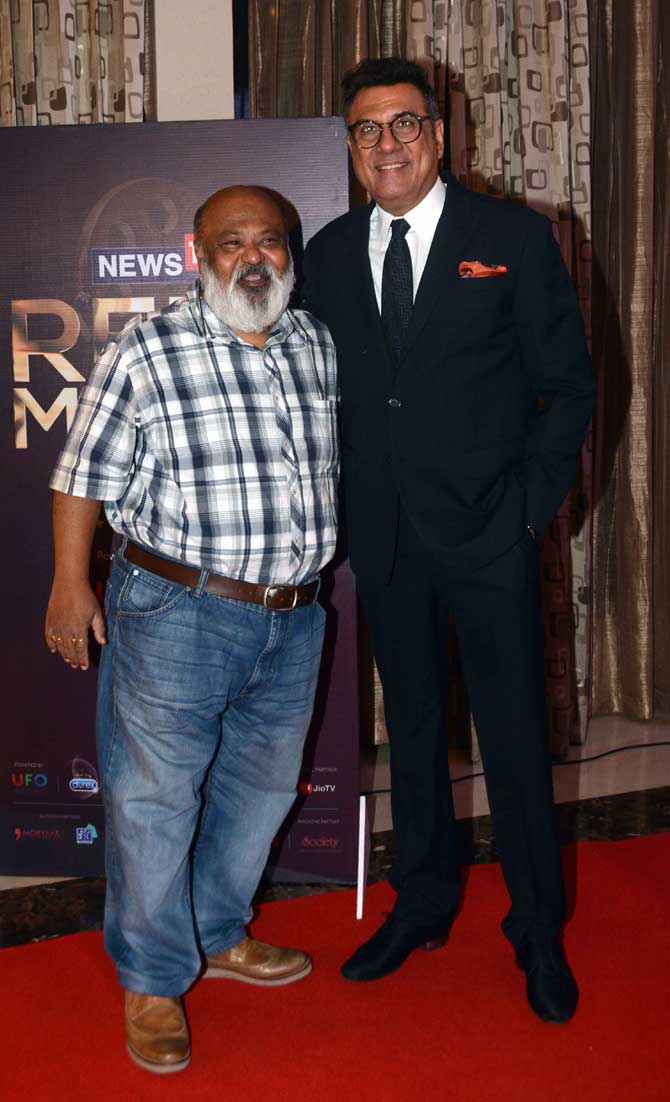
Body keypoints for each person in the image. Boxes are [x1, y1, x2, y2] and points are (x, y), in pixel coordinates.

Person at [303, 58, 595, 1023]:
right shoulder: (331, 252)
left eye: (402, 125)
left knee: (514, 740)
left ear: (440, 133)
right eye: (365, 130)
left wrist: (526, 511)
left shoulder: (512, 237)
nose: (384, 144)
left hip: (488, 535)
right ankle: (422, 903)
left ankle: (538, 929)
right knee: (415, 736)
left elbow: (572, 389)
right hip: (384, 541)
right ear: (351, 147)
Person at [45, 185, 339, 1073]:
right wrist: (69, 585)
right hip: (177, 610)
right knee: (153, 803)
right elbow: (81, 475)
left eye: (271, 242)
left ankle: (217, 934)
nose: (254, 258)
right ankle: (151, 978)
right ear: (194, 254)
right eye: (231, 243)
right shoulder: (147, 349)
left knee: (260, 797)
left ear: (289, 252)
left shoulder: (314, 343)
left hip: (293, 617)